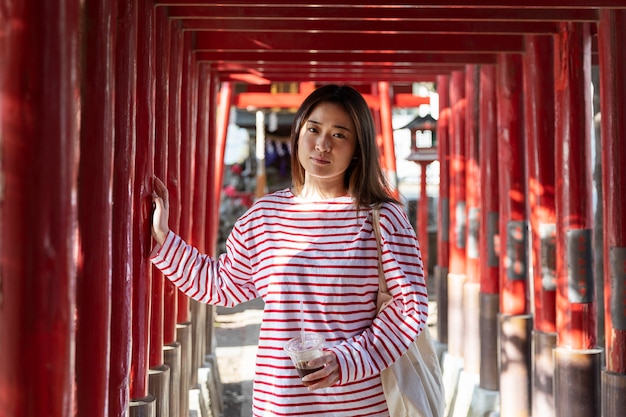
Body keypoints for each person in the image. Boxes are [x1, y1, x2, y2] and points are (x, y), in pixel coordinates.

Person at [151, 84, 429, 417]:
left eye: (339, 135)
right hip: (280, 402)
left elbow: (408, 309)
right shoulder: (265, 216)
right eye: (314, 129)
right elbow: (223, 286)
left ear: (357, 148)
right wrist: (163, 239)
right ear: (298, 134)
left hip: (359, 405)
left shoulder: (383, 218)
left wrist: (345, 361)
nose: (322, 145)